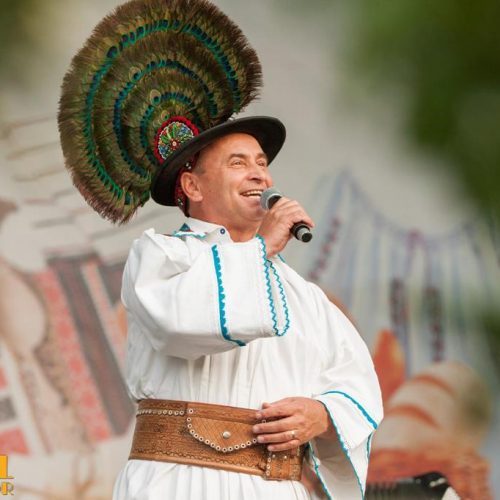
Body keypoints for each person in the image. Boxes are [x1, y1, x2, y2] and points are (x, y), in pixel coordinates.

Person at [57, 0, 383, 498]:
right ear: (192, 185)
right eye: (238, 163)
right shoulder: (160, 257)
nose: (260, 176)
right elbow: (182, 325)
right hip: (180, 483)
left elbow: (355, 379)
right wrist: (262, 246)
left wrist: (321, 413)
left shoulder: (303, 295)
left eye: (262, 163)